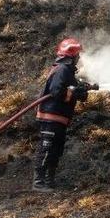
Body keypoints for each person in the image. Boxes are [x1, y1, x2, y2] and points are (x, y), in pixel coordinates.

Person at [33, 38, 98, 192]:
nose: (79, 58)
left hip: (59, 119)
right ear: (72, 56)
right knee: (46, 149)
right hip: (51, 117)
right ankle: (39, 183)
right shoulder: (62, 69)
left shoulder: (66, 71)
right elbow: (57, 91)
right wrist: (75, 92)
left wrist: (82, 89)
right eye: (78, 55)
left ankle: (49, 181)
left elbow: (70, 89)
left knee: (55, 150)